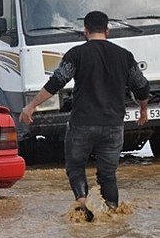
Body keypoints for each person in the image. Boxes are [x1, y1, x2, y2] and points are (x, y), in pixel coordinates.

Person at [20, 11, 149, 221]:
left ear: (85, 31)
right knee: (108, 174)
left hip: (82, 125)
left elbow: (56, 82)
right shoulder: (124, 55)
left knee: (75, 166)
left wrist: (31, 106)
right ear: (108, 31)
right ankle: (114, 213)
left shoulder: (76, 54)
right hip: (113, 126)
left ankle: (81, 203)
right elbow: (141, 86)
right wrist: (143, 110)